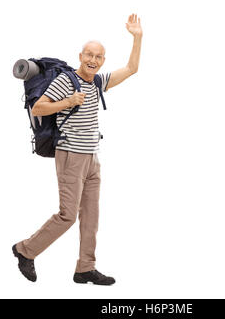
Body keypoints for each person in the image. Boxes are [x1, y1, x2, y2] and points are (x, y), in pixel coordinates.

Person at [12, 14, 143, 285]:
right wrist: (69, 100)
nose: (93, 60)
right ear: (80, 56)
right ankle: (25, 250)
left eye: (98, 56)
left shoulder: (98, 82)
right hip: (70, 156)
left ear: (102, 60)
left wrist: (137, 37)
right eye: (89, 55)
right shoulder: (65, 81)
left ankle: (85, 267)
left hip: (92, 158)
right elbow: (38, 107)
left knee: (91, 217)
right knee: (67, 216)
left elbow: (131, 68)